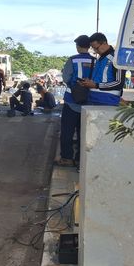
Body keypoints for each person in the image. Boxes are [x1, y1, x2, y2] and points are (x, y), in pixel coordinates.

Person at [57, 35, 94, 167]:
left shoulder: (72, 60)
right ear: (89, 46)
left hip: (71, 101)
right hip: (89, 102)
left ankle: (66, 158)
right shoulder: (95, 61)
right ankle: (79, 159)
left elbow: (66, 78)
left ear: (78, 46)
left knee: (67, 131)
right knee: (83, 132)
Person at [79, 32, 124, 106]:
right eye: (93, 49)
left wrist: (96, 85)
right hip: (92, 99)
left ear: (104, 43)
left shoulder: (116, 58)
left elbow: (119, 83)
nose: (96, 51)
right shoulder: (100, 59)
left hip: (108, 100)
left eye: (96, 48)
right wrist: (88, 82)